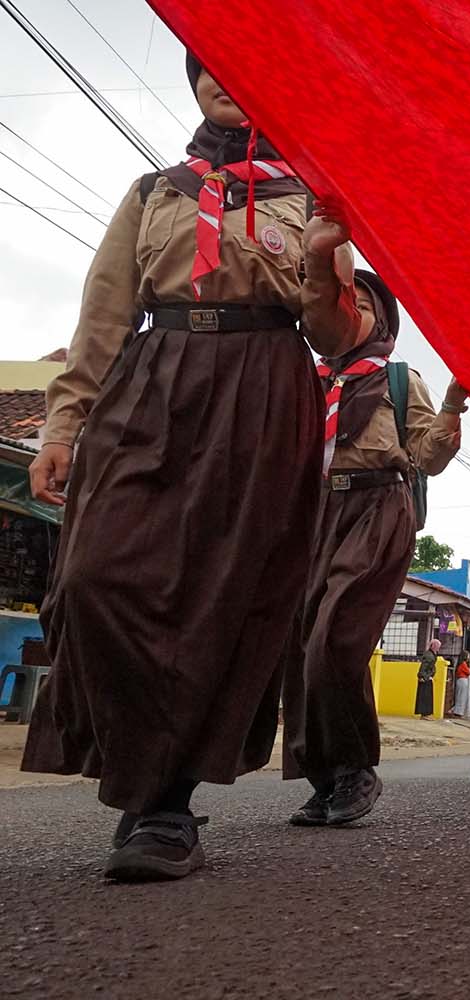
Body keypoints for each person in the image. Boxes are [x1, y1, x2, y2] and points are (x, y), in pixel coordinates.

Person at [21, 54, 364, 882]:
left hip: (263, 390)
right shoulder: (154, 193)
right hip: (153, 380)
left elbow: (337, 335)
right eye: (209, 66)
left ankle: (165, 805)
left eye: (247, 68)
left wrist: (321, 262)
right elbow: (102, 315)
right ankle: (137, 769)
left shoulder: (312, 197)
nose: (225, 79)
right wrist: (64, 424)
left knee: (222, 592)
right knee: (98, 575)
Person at [280, 268, 464, 827]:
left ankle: (357, 768)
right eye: (337, 299)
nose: (345, 310)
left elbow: (427, 456)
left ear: (380, 319)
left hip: (378, 509)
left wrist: (453, 408)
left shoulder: (398, 380)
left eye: (358, 301)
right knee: (305, 644)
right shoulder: (304, 378)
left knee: (335, 638)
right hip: (316, 514)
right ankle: (327, 777)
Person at [416, 638, 440, 720]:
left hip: (427, 677)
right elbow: (424, 666)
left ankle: (426, 714)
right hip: (425, 678)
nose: (438, 648)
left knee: (427, 696)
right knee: (425, 696)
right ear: (433, 646)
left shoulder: (431, 654)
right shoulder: (429, 655)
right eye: (437, 646)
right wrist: (422, 676)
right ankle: (424, 714)